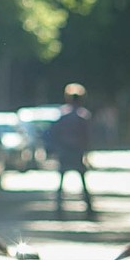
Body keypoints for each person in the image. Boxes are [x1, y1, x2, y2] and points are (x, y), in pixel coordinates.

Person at [47, 83, 95, 213]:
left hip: (64, 150)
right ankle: (89, 208)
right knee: (82, 180)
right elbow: (87, 136)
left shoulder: (62, 115)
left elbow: (53, 134)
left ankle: (58, 207)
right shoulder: (83, 115)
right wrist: (87, 154)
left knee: (61, 180)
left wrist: (55, 149)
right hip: (77, 150)